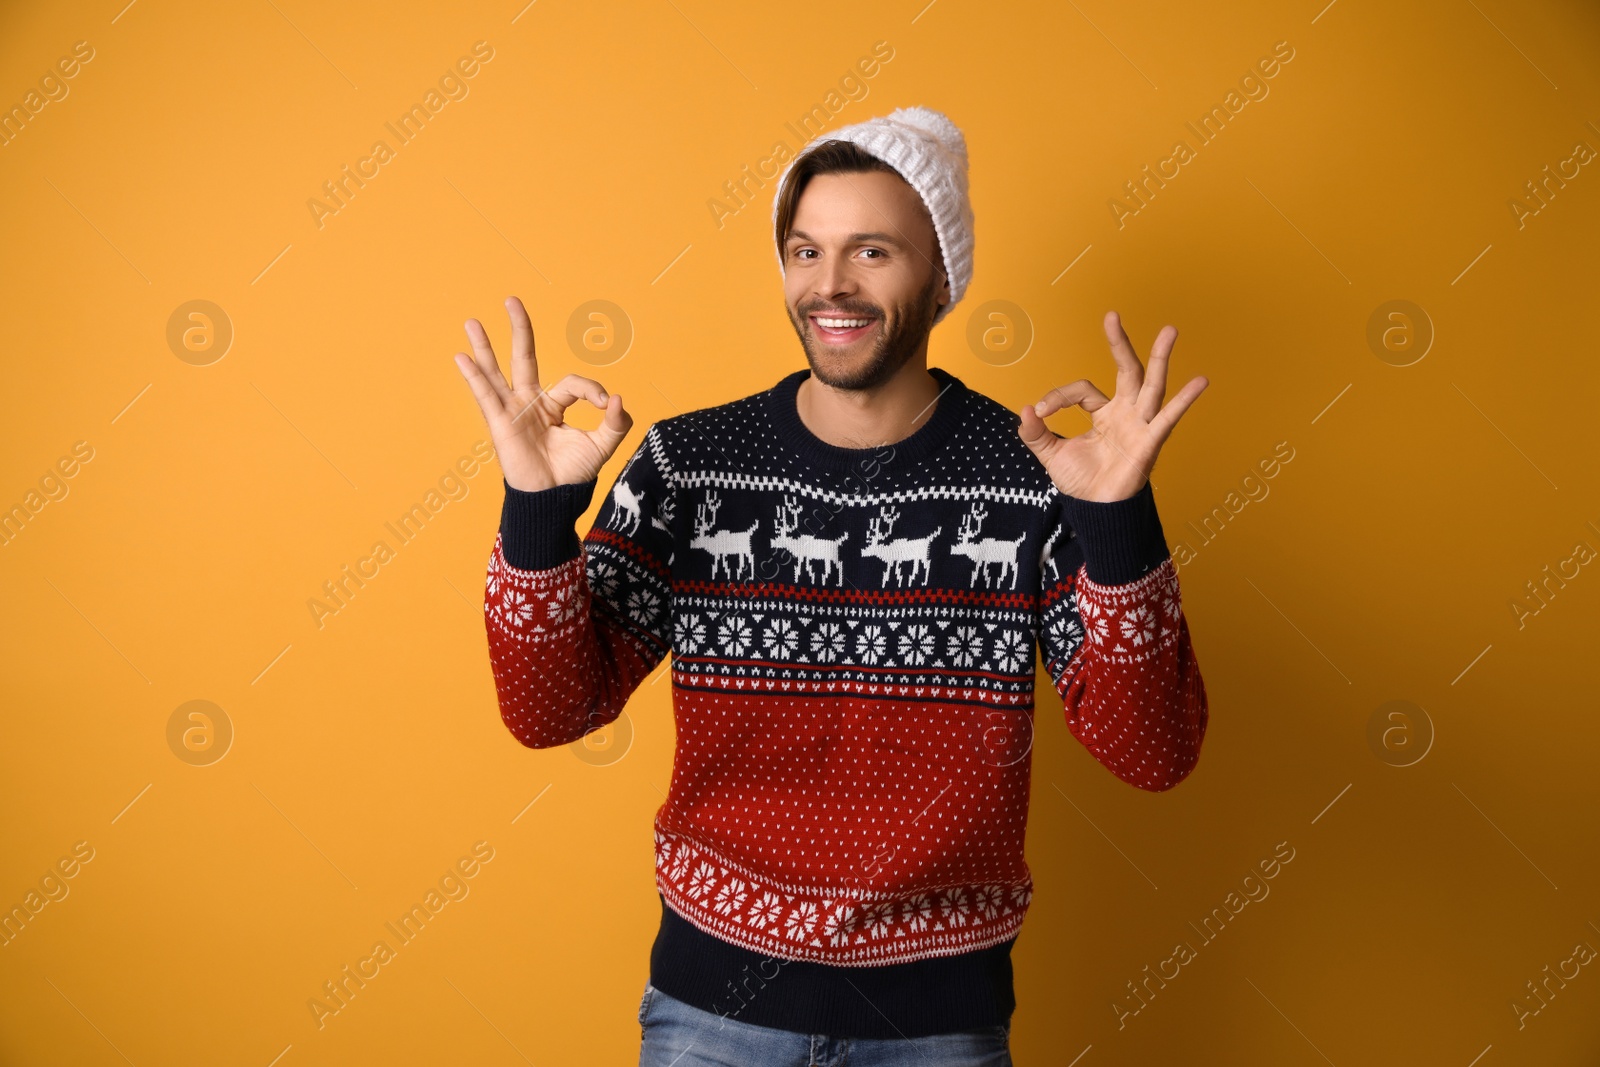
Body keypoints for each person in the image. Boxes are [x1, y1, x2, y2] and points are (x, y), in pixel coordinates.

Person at [452, 106, 1210, 1067]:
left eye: (872, 252)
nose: (831, 285)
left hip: (939, 1027)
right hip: (710, 1019)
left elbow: (1154, 750)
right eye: (805, 251)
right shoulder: (689, 465)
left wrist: (1117, 520)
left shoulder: (1033, 477)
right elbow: (550, 707)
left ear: (942, 277)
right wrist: (536, 506)